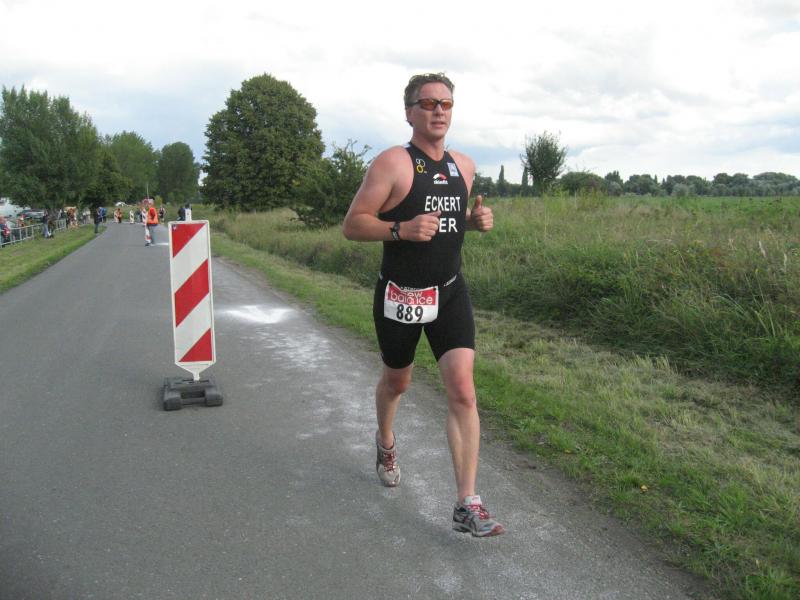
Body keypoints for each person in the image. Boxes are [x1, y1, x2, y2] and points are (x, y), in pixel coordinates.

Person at [342, 73, 503, 537]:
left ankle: (467, 502)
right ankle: (386, 441)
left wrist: (472, 221)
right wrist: (400, 229)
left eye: (446, 104)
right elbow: (353, 224)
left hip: (449, 290)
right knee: (398, 382)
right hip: (401, 294)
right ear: (409, 111)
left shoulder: (464, 166)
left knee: (463, 391)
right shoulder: (392, 163)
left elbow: (446, 223)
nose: (439, 111)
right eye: (428, 103)